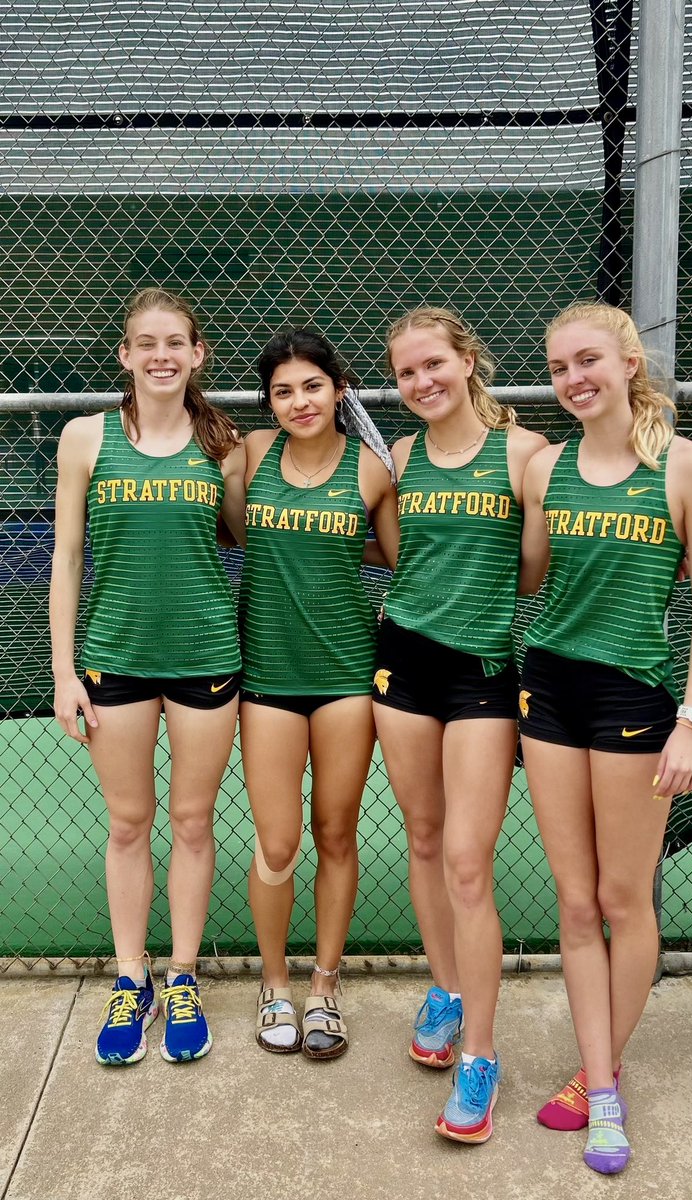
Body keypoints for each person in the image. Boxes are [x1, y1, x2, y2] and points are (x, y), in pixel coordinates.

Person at [518, 301, 692, 1174]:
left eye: (588, 360)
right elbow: (526, 574)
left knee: (622, 898)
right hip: (548, 690)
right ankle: (598, 1078)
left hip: (635, 700)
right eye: (560, 366)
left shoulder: (689, 468)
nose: (574, 378)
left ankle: (602, 1084)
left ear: (628, 363)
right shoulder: (545, 471)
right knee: (573, 905)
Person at [49, 288, 246, 1066]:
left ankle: (183, 974)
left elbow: (245, 537)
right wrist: (64, 670)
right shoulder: (85, 437)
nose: (161, 355)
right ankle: (132, 977)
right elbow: (66, 559)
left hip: (205, 659)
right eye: (145, 343)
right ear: (124, 355)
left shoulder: (221, 444)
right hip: (115, 660)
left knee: (192, 823)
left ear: (198, 355)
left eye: (176, 342)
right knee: (129, 823)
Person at [372, 307, 547, 1142]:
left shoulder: (524, 455)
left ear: (466, 359)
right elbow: (400, 554)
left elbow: (532, 574)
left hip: (480, 678)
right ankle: (443, 990)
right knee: (424, 838)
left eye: (432, 364)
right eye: (405, 373)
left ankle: (479, 1053)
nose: (421, 382)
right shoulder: (401, 457)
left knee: (469, 865)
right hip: (399, 665)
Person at [239, 328, 398, 1060]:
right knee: (277, 843)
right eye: (282, 391)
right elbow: (227, 529)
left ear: (338, 390)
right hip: (267, 681)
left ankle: (324, 987)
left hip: (345, 682)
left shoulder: (372, 471)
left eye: (311, 386)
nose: (298, 402)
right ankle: (274, 984)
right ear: (268, 402)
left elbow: (398, 556)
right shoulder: (248, 456)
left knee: (335, 834)